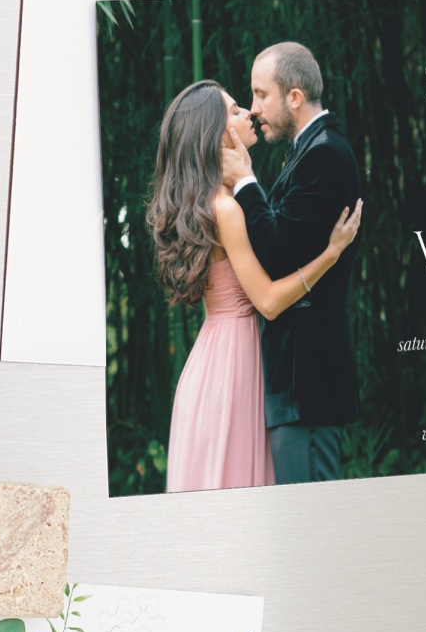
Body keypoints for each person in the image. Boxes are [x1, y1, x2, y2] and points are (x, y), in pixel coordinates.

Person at [146, 79, 362, 493]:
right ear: (214, 134)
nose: (249, 112)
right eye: (233, 110)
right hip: (234, 363)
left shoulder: (212, 201)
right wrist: (330, 255)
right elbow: (266, 300)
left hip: (213, 358)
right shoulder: (226, 209)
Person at [221, 42, 362, 484]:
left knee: (314, 528)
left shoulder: (324, 155)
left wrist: (245, 181)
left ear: (294, 97)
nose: (255, 108)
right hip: (297, 383)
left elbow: (277, 251)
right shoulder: (307, 151)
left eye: (262, 95)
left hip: (310, 384)